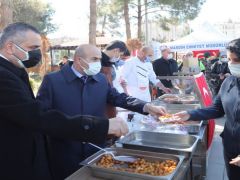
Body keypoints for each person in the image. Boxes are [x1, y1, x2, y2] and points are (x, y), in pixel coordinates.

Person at [0, 22, 131, 180]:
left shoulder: (14, 70)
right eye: (32, 48)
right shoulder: (4, 75)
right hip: (17, 161)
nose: (37, 54)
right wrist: (102, 125)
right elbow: (38, 115)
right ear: (9, 47)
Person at [37, 44, 167, 179]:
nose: (98, 63)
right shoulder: (53, 80)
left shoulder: (101, 79)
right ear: (78, 60)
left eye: (99, 59)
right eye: (94, 59)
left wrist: (146, 107)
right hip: (65, 151)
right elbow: (42, 116)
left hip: (96, 148)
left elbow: (118, 97)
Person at [174, 38, 240, 180]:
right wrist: (190, 114)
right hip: (230, 145)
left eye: (236, 60)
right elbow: (217, 109)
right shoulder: (229, 81)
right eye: (229, 59)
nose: (231, 64)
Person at [100, 40, 129, 118]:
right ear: (116, 50)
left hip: (111, 100)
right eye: (120, 54)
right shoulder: (98, 61)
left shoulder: (109, 63)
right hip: (101, 105)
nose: (119, 57)